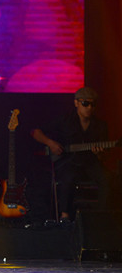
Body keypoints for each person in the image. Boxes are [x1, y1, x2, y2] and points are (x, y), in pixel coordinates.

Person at [31, 87, 109, 223]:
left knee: (107, 179)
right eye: (85, 103)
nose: (89, 108)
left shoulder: (101, 126)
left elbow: (103, 156)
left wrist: (99, 153)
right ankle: (64, 216)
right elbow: (35, 132)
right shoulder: (65, 121)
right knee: (68, 177)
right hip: (69, 161)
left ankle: (101, 216)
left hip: (90, 163)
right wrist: (50, 143)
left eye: (93, 104)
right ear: (76, 103)